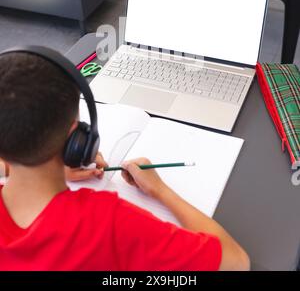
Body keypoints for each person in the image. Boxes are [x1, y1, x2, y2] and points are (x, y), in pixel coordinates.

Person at [0, 52, 250, 271]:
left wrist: (44, 165)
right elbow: (235, 262)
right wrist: (160, 191)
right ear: (76, 140)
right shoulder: (107, 223)